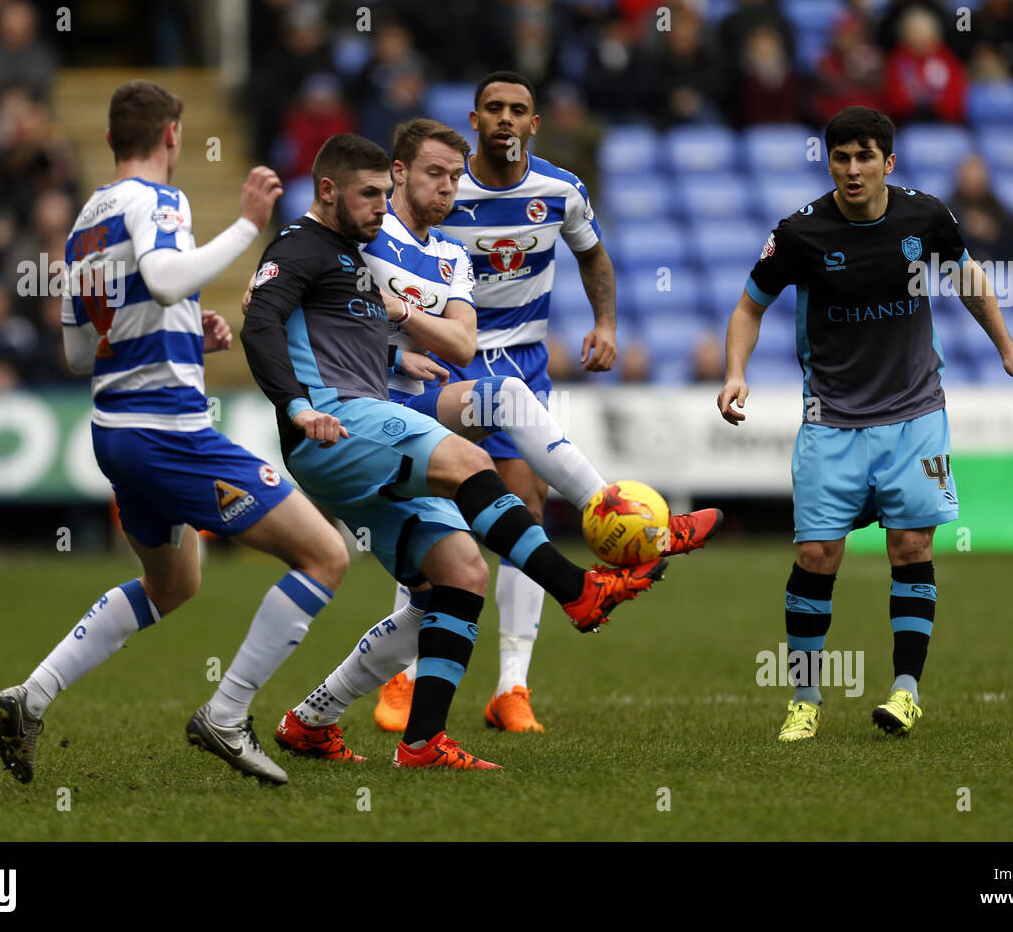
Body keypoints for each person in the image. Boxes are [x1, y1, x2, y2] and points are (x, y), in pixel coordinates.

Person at [260, 117, 719, 737]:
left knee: (453, 579)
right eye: (434, 174)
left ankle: (318, 716)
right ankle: (612, 512)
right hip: (363, 416)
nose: (448, 188)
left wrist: (398, 318)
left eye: (455, 177)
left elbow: (461, 341)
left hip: (417, 405)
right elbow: (283, 301)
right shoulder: (362, 227)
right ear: (396, 174)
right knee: (500, 404)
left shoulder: (451, 256)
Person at [0, 79, 350, 787]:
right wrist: (246, 226)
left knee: (173, 584)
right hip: (170, 433)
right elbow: (160, 275)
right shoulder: (159, 200)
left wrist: (186, 337)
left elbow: (80, 353)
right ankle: (227, 713)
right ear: (173, 137)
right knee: (325, 555)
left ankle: (30, 696)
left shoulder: (87, 219)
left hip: (115, 433)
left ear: (110, 138)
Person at [716, 106, 1013, 742]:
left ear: (888, 163)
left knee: (912, 547)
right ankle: (806, 700)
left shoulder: (926, 216)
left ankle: (905, 692)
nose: (852, 169)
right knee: (817, 554)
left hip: (916, 412)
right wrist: (736, 372)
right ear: (829, 162)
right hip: (831, 419)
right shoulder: (801, 233)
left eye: (864, 157)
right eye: (841, 158)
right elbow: (748, 306)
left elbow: (969, 278)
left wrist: (1007, 348)